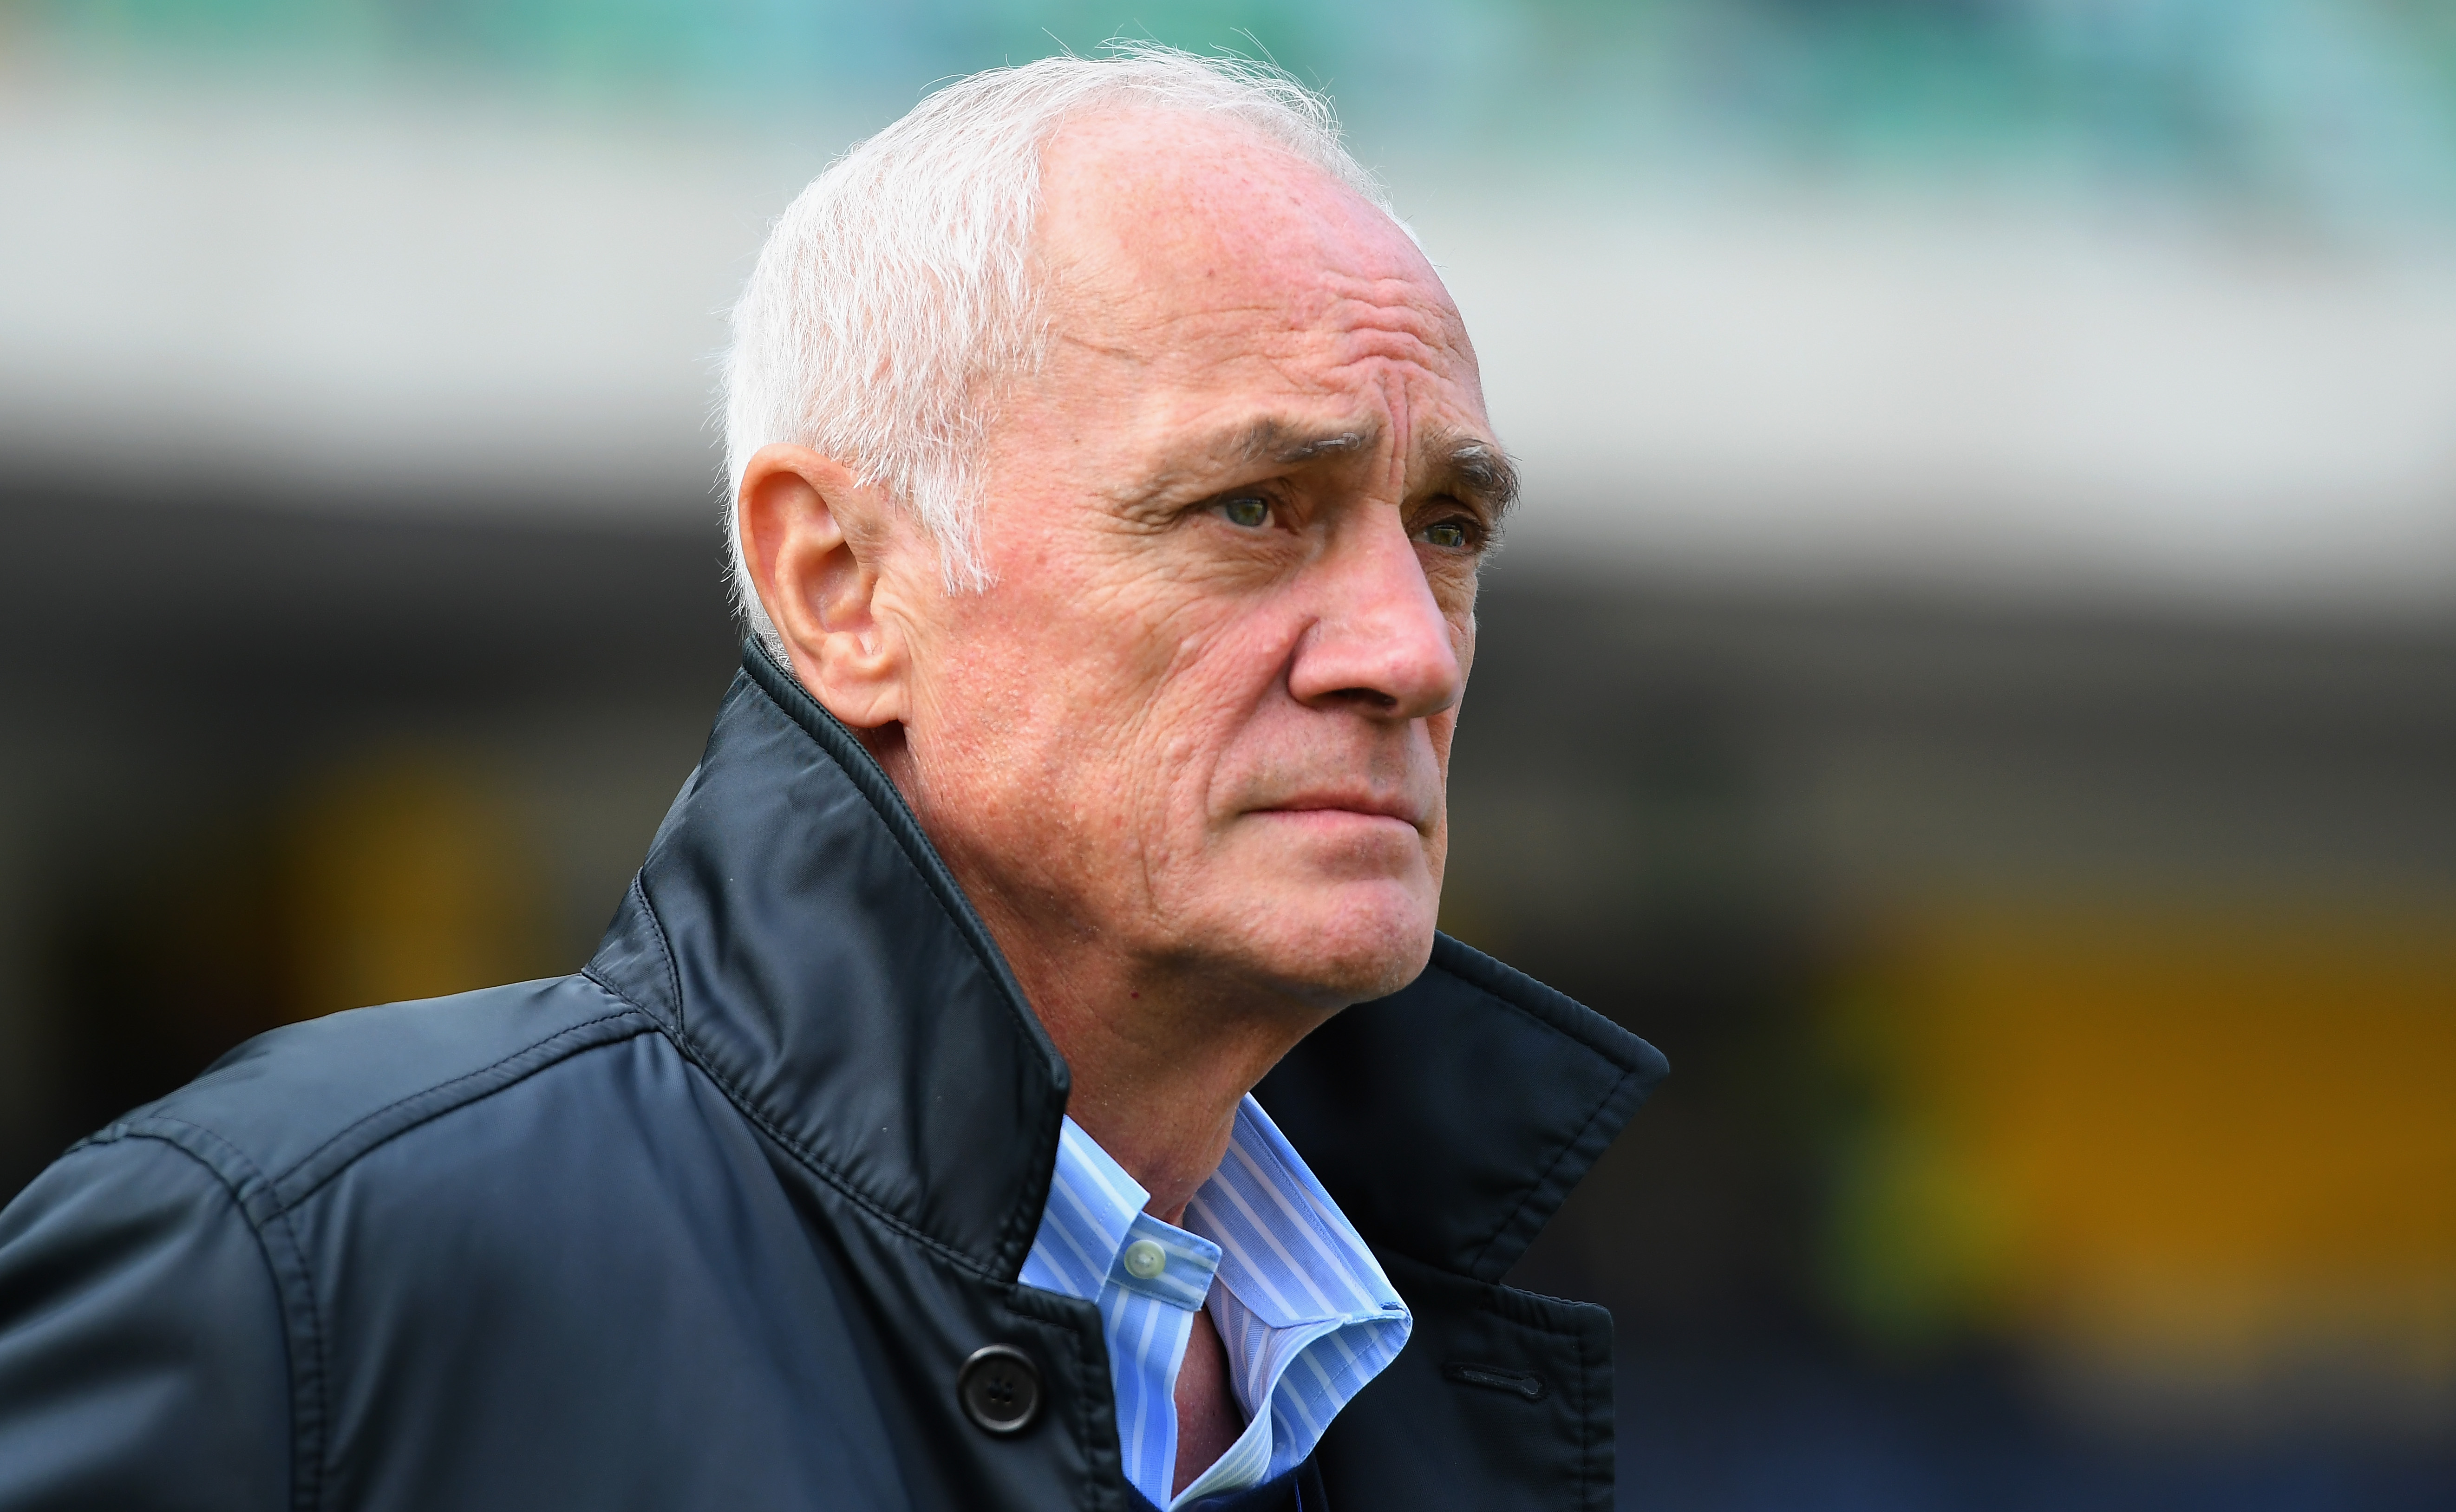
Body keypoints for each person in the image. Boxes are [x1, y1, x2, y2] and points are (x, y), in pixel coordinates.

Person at [0, 46, 1663, 1512]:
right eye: (1254, 509)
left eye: (1446, 530)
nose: (1409, 651)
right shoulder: (297, 1269)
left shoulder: (1440, 1375)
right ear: (843, 585)